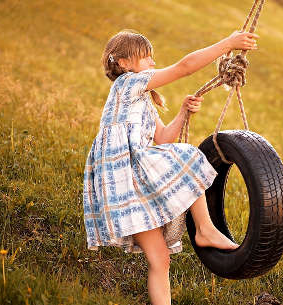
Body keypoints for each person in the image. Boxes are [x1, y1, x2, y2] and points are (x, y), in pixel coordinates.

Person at [83, 29, 258, 305]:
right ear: (125, 64)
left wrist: (183, 112)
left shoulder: (144, 102)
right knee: (187, 156)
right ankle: (204, 230)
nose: (153, 62)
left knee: (160, 259)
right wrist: (228, 44)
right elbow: (184, 67)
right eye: (147, 57)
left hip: (128, 185)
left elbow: (164, 138)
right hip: (124, 176)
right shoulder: (127, 84)